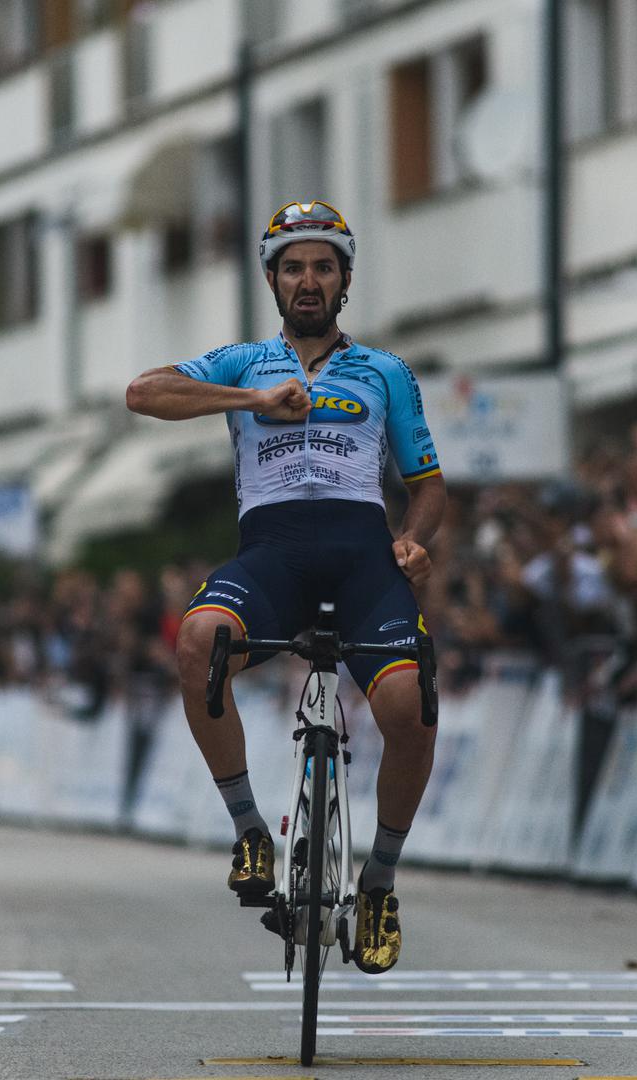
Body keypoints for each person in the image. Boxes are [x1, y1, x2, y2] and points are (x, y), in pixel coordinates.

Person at [125, 199, 445, 974]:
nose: (309, 280)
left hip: (362, 558)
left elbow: (428, 485)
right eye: (294, 267)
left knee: (410, 705)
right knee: (198, 642)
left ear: (343, 281)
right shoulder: (243, 362)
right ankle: (249, 832)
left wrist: (414, 539)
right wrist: (251, 401)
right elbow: (143, 392)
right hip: (270, 555)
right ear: (272, 279)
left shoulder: (385, 372)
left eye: (323, 267)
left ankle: (378, 881)